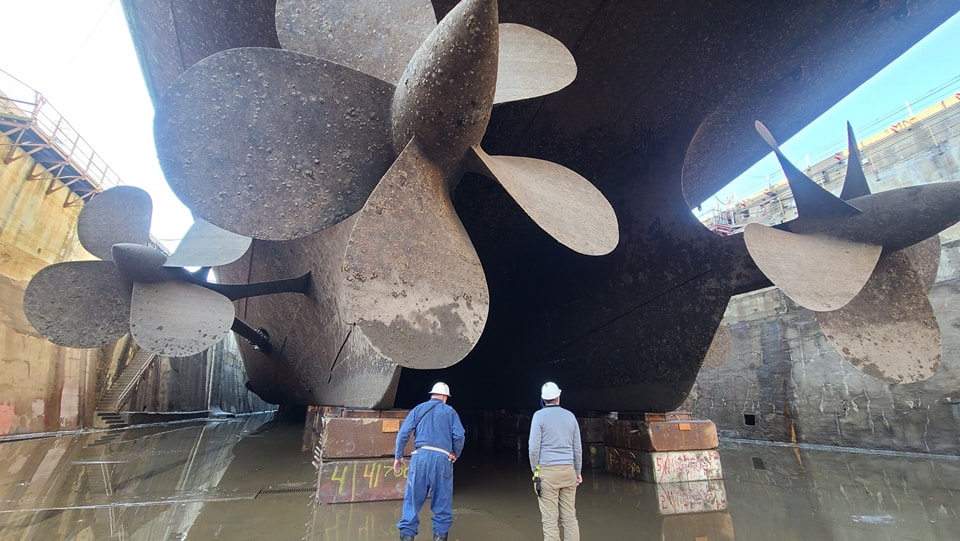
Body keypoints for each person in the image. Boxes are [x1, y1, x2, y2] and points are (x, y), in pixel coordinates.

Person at [393, 382, 465, 541]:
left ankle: (407, 537)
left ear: (432, 394)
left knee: (412, 502)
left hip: (420, 457)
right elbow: (459, 436)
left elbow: (403, 433)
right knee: (442, 504)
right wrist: (455, 453)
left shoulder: (418, 409)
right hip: (442, 459)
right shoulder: (450, 411)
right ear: (445, 397)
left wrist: (398, 456)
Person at [528, 381, 582, 541]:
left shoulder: (538, 416)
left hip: (547, 472)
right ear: (558, 397)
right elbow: (577, 448)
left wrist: (535, 471)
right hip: (568, 471)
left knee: (550, 521)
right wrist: (578, 472)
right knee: (570, 518)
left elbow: (533, 449)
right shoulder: (570, 416)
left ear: (543, 399)